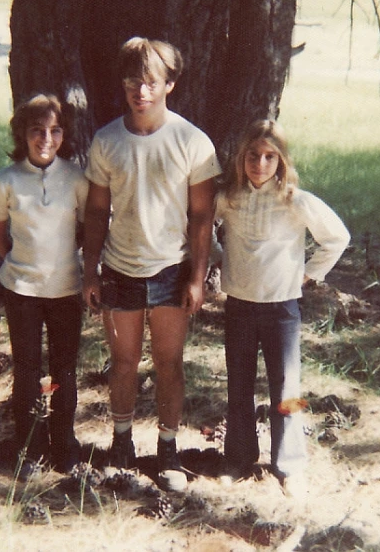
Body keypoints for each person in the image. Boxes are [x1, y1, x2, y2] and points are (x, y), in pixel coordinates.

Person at [83, 37, 221, 492]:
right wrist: (91, 271)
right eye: (131, 82)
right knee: (122, 363)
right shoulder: (106, 140)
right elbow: (97, 212)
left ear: (169, 85)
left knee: (169, 362)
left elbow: (202, 216)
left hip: (171, 271)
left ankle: (167, 449)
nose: (139, 91)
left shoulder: (192, 142)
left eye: (149, 83)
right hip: (120, 269)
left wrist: (197, 278)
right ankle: (121, 445)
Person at [215, 119, 350, 499]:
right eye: (252, 156)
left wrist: (308, 275)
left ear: (281, 161)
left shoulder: (295, 200)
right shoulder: (228, 197)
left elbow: (337, 238)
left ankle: (290, 464)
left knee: (287, 388)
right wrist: (217, 258)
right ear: (241, 158)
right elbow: (200, 227)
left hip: (282, 309)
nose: (260, 164)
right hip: (240, 305)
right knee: (238, 384)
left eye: (269, 157)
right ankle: (239, 458)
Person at [0, 93, 89, 479]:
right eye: (37, 131)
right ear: (23, 134)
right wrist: (15, 261)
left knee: (64, 368)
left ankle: (65, 444)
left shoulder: (76, 177)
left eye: (55, 130)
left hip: (65, 289)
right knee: (27, 370)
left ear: (64, 134)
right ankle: (29, 447)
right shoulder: (6, 179)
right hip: (22, 290)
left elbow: (87, 227)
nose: (46, 138)